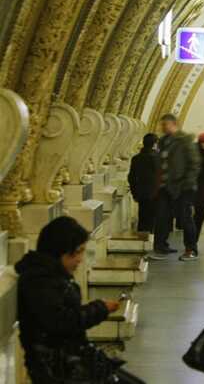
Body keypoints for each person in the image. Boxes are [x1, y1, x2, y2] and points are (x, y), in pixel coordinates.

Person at [16, 216, 121, 383]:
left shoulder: (51, 276)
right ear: (61, 250)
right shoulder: (39, 281)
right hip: (58, 369)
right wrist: (100, 308)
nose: (80, 259)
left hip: (66, 362)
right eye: (78, 251)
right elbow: (61, 321)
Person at [150, 113, 201, 262]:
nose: (162, 127)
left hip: (182, 187)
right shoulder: (163, 141)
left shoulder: (184, 141)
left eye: (165, 124)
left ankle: (191, 249)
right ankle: (160, 247)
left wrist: (187, 184)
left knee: (185, 219)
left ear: (174, 124)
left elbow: (194, 163)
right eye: (162, 125)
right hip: (165, 187)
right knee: (161, 217)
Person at [128, 133, 160, 233]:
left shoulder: (136, 158)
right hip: (156, 193)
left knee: (142, 217)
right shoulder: (157, 158)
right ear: (155, 144)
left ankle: (142, 239)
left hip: (141, 193)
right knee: (154, 219)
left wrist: (134, 193)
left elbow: (131, 177)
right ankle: (152, 240)